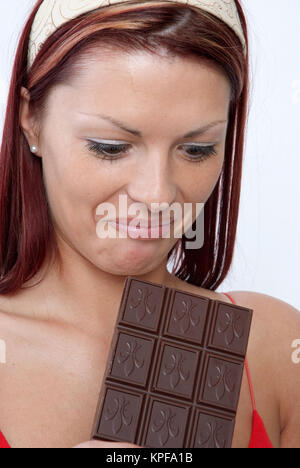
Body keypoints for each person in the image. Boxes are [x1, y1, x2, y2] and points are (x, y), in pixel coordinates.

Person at [0, 0, 299, 449]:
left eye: (196, 150)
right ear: (31, 120)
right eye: (110, 146)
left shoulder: (274, 345)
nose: (158, 196)